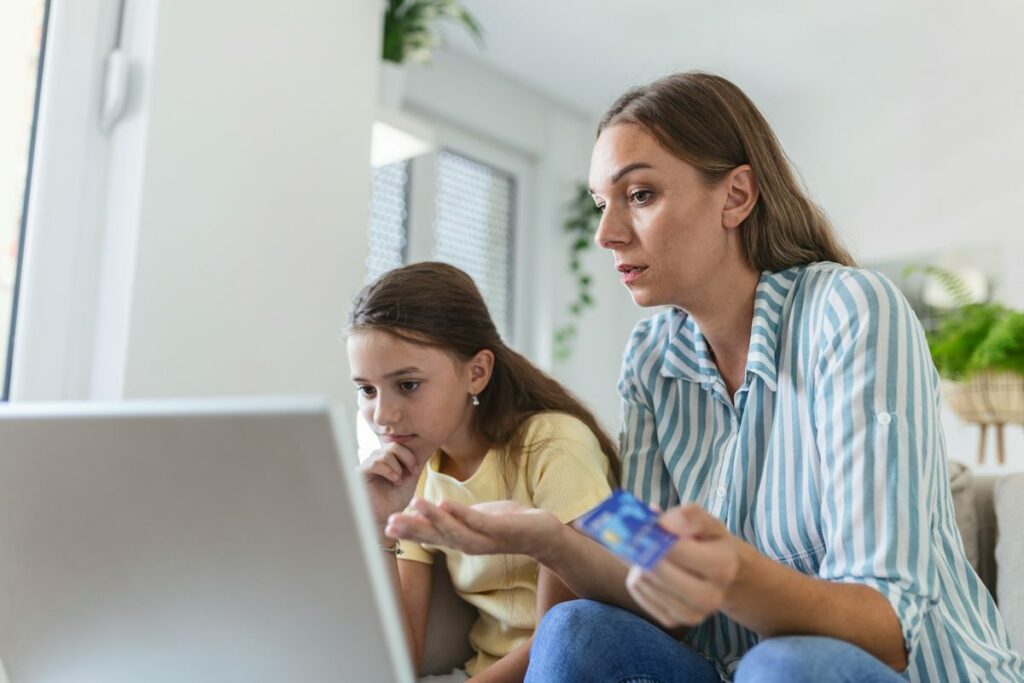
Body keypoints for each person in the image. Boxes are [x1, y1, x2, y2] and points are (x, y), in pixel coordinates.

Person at [385, 72, 1024, 682]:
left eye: (640, 195)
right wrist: (549, 538)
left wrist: (735, 575)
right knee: (577, 630)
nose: (607, 233)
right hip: (729, 671)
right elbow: (652, 586)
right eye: (602, 204)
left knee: (783, 665)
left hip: (887, 671)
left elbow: (887, 629)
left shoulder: (850, 312)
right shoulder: (651, 355)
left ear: (736, 196)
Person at [347, 262, 618, 682]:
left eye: (408, 384)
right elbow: (401, 660)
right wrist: (381, 524)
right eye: (367, 389)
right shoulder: (418, 475)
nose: (382, 415)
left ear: (477, 373)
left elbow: (558, 644)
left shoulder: (551, 446)